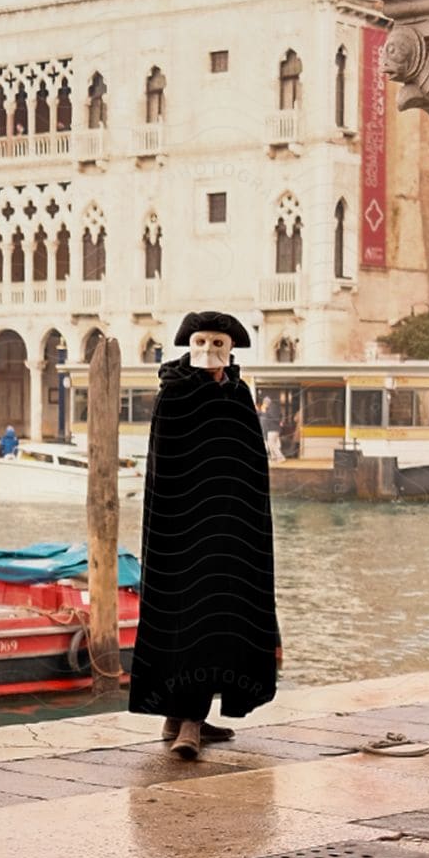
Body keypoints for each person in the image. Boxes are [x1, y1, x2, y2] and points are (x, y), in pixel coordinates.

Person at [127, 310, 280, 760]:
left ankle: (185, 716)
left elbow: (251, 464)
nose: (210, 353)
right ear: (188, 346)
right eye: (201, 343)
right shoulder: (174, 395)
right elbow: (167, 467)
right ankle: (186, 722)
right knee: (187, 617)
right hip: (182, 532)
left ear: (231, 349)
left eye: (219, 344)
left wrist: (247, 523)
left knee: (222, 619)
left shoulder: (237, 395)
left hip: (230, 532)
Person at [259, 394, 284, 462]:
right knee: (273, 443)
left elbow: (272, 417)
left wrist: (264, 412)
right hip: (273, 428)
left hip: (273, 428)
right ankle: (274, 457)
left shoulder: (272, 408)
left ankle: (280, 457)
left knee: (271, 443)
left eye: (264, 403)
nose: (264, 404)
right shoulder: (272, 407)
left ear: (267, 402)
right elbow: (278, 417)